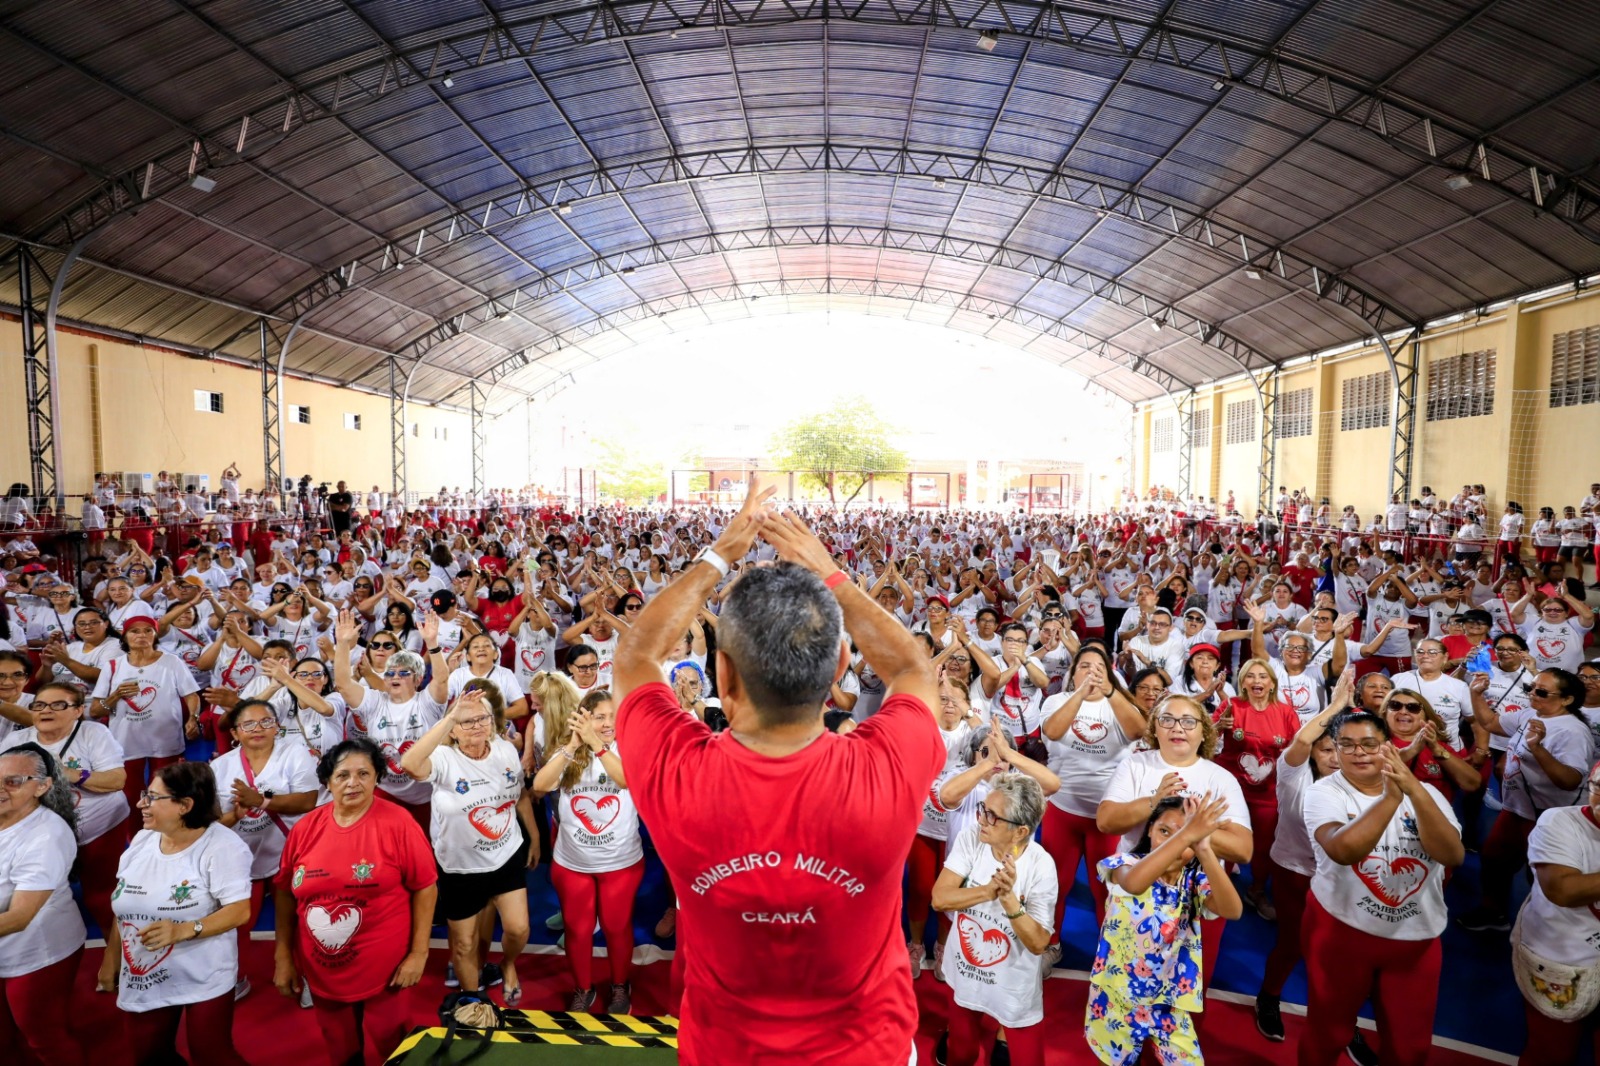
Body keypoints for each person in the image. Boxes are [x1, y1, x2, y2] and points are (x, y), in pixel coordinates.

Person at [611, 483, 943, 1064]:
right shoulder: (888, 767)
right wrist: (830, 573)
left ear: (722, 674)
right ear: (841, 664)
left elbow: (636, 656)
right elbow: (913, 666)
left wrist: (719, 556)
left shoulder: (676, 771)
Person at [1299, 713, 1464, 1066]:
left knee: (1410, 1047)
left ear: (1387, 746)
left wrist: (1414, 790)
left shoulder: (1428, 793)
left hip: (1415, 938)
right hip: (1341, 932)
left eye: (1370, 744)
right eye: (1347, 744)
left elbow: (1452, 854)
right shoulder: (1323, 792)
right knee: (1328, 1033)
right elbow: (1343, 851)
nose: (1359, 753)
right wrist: (1390, 798)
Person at [272, 738, 437, 1066]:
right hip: (322, 974)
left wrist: (419, 954)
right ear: (328, 782)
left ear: (377, 777)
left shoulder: (399, 823)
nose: (353, 782)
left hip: (386, 971)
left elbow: (425, 887)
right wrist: (283, 957)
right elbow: (285, 893)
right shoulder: (305, 829)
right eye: (343, 775)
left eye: (364, 773)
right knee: (341, 1049)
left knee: (393, 1045)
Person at [1097, 695, 1252, 993]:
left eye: (1188, 721)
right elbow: (1106, 821)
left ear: (1204, 731)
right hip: (1136, 892)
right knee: (1123, 981)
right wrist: (1154, 801)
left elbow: (1242, 850)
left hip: (1197, 899)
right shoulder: (1135, 765)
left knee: (1186, 989)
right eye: (1167, 719)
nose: (1177, 727)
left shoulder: (1221, 779)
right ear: (1155, 728)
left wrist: (1194, 831)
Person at [401, 684, 536, 1004]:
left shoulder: (504, 749)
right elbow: (409, 763)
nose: (477, 726)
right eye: (467, 721)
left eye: (483, 719)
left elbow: (519, 796)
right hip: (459, 867)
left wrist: (535, 836)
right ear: (453, 729)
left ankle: (507, 964)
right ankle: (471, 997)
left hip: (506, 854)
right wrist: (449, 719)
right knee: (463, 945)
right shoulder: (444, 758)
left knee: (518, 930)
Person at [1085, 793, 1242, 1066]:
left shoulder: (1195, 879)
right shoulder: (1123, 864)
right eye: (1164, 831)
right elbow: (1135, 884)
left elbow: (1233, 910)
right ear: (1149, 829)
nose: (1171, 842)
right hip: (1116, 994)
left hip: (1169, 1002)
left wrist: (1205, 848)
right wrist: (1186, 835)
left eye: (1185, 838)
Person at [114, 761, 253, 1066]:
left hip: (203, 971)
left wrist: (185, 930)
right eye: (144, 794)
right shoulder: (142, 840)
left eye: (153, 797)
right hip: (143, 972)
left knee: (211, 1054)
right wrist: (111, 960)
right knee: (149, 1055)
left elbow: (240, 910)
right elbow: (122, 907)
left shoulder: (223, 847)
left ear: (185, 805)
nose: (141, 803)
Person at [1, 680, 129, 992]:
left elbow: (117, 780)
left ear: (77, 711)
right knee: (41, 893)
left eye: (58, 705)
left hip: (98, 827)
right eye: (40, 705)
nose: (46, 711)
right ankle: (54, 951)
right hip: (41, 837)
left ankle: (121, 964)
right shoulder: (17, 740)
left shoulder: (93, 733)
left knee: (101, 895)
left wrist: (71, 774)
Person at [930, 773, 1057, 1066]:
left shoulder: (1041, 866)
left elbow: (1039, 942)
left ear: (1020, 831)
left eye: (992, 816)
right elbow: (940, 898)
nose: (981, 820)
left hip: (1013, 987)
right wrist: (988, 890)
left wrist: (1010, 900)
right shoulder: (972, 838)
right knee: (961, 1054)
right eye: (983, 809)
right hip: (963, 973)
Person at [531, 687, 643, 1012]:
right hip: (572, 862)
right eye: (599, 717)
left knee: (616, 926)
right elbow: (540, 786)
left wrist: (599, 746)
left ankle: (620, 986)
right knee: (578, 930)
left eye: (613, 716)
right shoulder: (568, 752)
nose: (608, 723)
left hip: (620, 861)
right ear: (584, 719)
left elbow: (626, 781)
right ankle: (583, 988)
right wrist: (572, 746)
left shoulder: (631, 748)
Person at [1254, 677, 1349, 1043]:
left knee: (1339, 948)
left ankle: (1343, 1015)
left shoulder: (1359, 784)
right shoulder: (1292, 776)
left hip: (1340, 877)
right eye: (1326, 750)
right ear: (1313, 753)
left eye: (1341, 750)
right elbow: (1303, 739)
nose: (1334, 757)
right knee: (1292, 941)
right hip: (1294, 872)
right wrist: (1336, 704)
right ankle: (1269, 997)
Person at [1461, 668, 1592, 932]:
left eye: (1541, 692)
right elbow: (1490, 723)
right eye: (1529, 688)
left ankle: (1548, 929)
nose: (1532, 695)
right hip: (1518, 808)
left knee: (1541, 875)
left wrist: (1537, 748)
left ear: (1566, 699)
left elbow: (1569, 780)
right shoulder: (1531, 713)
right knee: (1495, 858)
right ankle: (1494, 913)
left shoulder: (1573, 732)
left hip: (1549, 815)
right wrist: (1476, 694)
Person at [211, 698, 320, 997]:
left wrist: (261, 801)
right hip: (241, 854)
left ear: (277, 728)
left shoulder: (294, 753)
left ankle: (309, 975)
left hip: (291, 849)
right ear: (234, 733)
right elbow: (212, 824)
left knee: (300, 916)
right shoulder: (220, 767)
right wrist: (236, 813)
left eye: (266, 722)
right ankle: (233, 976)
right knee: (238, 920)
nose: (257, 729)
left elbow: (308, 800)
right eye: (248, 724)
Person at [1040, 646, 1145, 932]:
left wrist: (1110, 693)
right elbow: (1052, 731)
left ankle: (1107, 954)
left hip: (1107, 817)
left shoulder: (1121, 706)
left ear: (1110, 675)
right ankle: (1051, 944)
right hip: (1062, 811)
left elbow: (1138, 731)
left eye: (1099, 668)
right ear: (1072, 674)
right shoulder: (1056, 702)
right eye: (1083, 666)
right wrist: (1080, 694)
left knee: (1107, 891)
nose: (1091, 672)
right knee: (1054, 885)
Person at [0, 743, 87, 1066]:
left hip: (35, 954)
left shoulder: (45, 835)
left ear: (43, 786)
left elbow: (20, 916)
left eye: (13, 781)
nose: (1, 789)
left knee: (44, 1038)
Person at [1510, 761, 1600, 1064]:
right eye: (1599, 788)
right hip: (1563, 959)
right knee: (1551, 1051)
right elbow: (1563, 890)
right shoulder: (1559, 822)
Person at [89, 613, 201, 831]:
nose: (141, 635)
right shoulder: (112, 666)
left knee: (168, 791)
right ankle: (135, 837)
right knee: (130, 794)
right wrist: (116, 695)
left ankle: (167, 833)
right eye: (135, 631)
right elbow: (95, 710)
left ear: (155, 634)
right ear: (125, 636)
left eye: (147, 630)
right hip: (125, 740)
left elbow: (192, 695)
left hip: (166, 737)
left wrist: (193, 718)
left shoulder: (171, 661)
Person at [1212, 658, 1302, 919]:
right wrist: (1217, 727)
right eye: (1250, 676)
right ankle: (1217, 889)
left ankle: (1256, 890)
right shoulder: (1231, 705)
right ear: (1242, 683)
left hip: (1269, 792)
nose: (1256, 681)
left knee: (1263, 847)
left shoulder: (1285, 713)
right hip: (1232, 790)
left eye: (1262, 676)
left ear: (1272, 683)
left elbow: (1296, 752)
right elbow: (1205, 739)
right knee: (1224, 841)